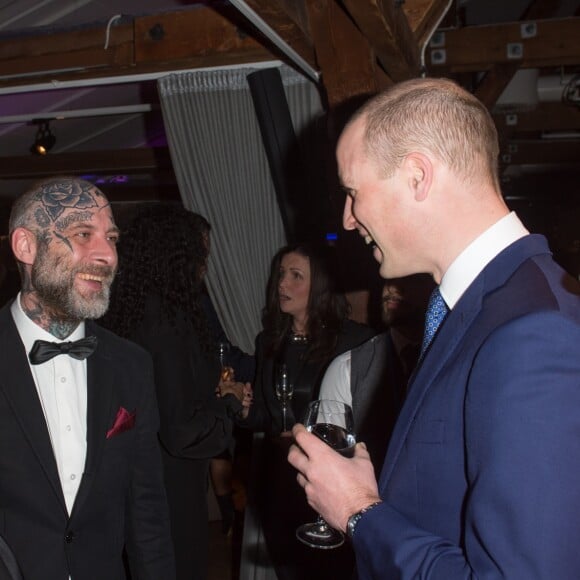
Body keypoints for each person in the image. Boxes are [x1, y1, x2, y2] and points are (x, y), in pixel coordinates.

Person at [288, 77, 580, 579]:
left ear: (417, 176)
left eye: (353, 193)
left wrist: (359, 512)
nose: (349, 218)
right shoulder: (482, 303)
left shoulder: (534, 331)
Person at [1, 176, 175, 579]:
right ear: (26, 246)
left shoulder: (131, 364)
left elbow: (147, 511)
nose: (107, 255)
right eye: (83, 233)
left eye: (111, 238)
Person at [101, 203, 243, 580]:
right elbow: (182, 430)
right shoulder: (166, 320)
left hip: (135, 474)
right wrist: (228, 404)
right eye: (201, 255)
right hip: (169, 484)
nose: (204, 267)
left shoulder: (128, 311)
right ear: (177, 256)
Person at [224, 242, 374, 580]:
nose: (282, 285)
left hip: (330, 481)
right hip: (280, 480)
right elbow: (267, 415)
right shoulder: (269, 341)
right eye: (281, 275)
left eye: (295, 276)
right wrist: (243, 410)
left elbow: (367, 416)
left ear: (319, 286)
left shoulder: (353, 341)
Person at [319, 275, 433, 471]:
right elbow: (330, 466)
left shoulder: (461, 358)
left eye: (406, 278)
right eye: (387, 279)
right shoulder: (348, 369)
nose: (390, 290)